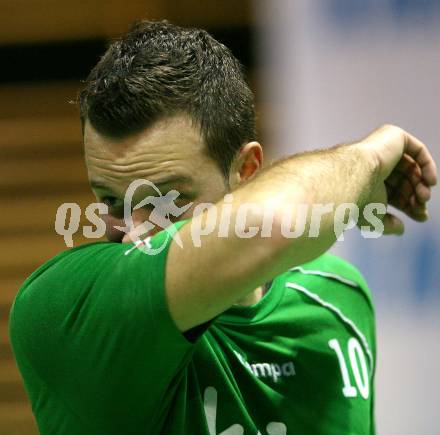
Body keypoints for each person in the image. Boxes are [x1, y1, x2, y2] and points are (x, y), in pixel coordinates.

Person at [9, 21, 437, 435]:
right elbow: (275, 224)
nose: (135, 234)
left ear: (246, 171)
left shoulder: (337, 295)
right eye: (110, 201)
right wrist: (369, 157)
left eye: (168, 201)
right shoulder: (65, 309)